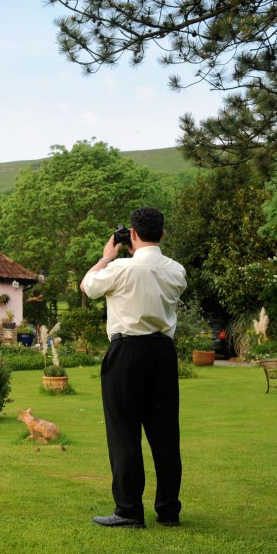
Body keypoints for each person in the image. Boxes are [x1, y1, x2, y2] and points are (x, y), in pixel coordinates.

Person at [80, 207, 187, 528]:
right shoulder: (176, 271)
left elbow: (88, 286)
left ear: (133, 235)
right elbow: (156, 275)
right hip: (163, 353)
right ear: (163, 234)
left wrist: (106, 257)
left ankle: (128, 511)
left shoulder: (121, 269)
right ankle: (168, 511)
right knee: (165, 434)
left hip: (127, 352)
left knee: (124, 432)